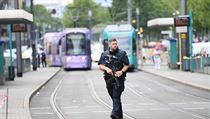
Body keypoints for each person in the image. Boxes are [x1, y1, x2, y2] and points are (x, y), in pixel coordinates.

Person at [98, 38, 129, 119]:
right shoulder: (104, 54)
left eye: (116, 44)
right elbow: (100, 65)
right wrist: (106, 69)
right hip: (108, 79)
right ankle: (120, 116)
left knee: (116, 95)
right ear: (110, 45)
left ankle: (114, 114)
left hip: (119, 79)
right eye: (113, 44)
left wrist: (121, 72)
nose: (115, 45)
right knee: (115, 97)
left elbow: (127, 65)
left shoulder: (122, 53)